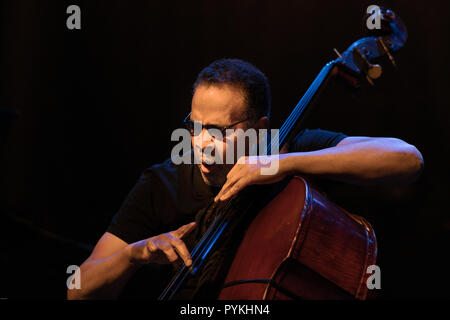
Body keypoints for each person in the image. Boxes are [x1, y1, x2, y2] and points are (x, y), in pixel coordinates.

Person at [67, 58, 423, 300]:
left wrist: (284, 165)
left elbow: (406, 158)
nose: (202, 143)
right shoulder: (163, 183)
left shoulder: (288, 149)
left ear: (258, 129)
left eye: (219, 131)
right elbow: (76, 287)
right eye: (195, 126)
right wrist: (134, 253)